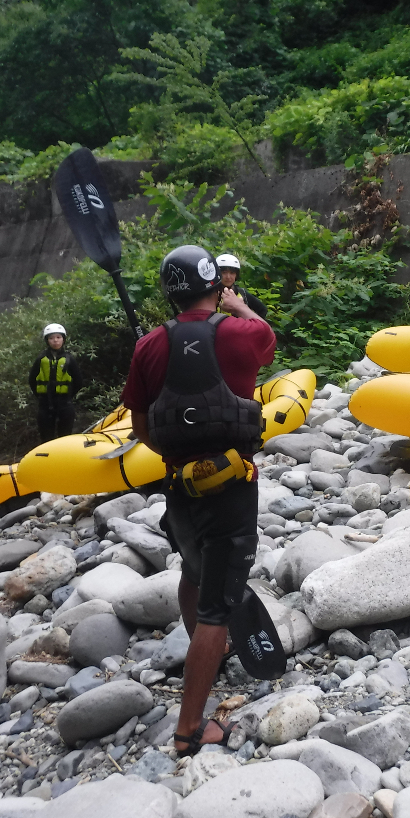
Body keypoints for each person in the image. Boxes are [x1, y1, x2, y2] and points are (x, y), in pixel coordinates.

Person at [121, 245, 276, 755]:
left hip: (179, 485)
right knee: (218, 605)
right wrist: (239, 306)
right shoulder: (241, 331)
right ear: (217, 285)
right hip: (231, 484)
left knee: (192, 569)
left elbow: (142, 426)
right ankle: (190, 729)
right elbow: (267, 341)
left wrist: (179, 454)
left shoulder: (147, 346)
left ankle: (204, 653)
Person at [31, 324, 80, 443]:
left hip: (64, 403)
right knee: (46, 438)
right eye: (52, 338)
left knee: (65, 436)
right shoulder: (41, 359)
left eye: (58, 337)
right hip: (45, 404)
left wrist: (68, 395)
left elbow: (78, 380)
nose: (55, 340)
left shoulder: (69, 359)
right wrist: (41, 396)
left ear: (63, 339)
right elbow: (32, 380)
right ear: (47, 341)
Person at [215, 253, 268, 319]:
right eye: (224, 272)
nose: (228, 277)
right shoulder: (211, 294)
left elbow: (262, 310)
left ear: (236, 275)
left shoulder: (242, 293)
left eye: (232, 273)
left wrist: (250, 326)